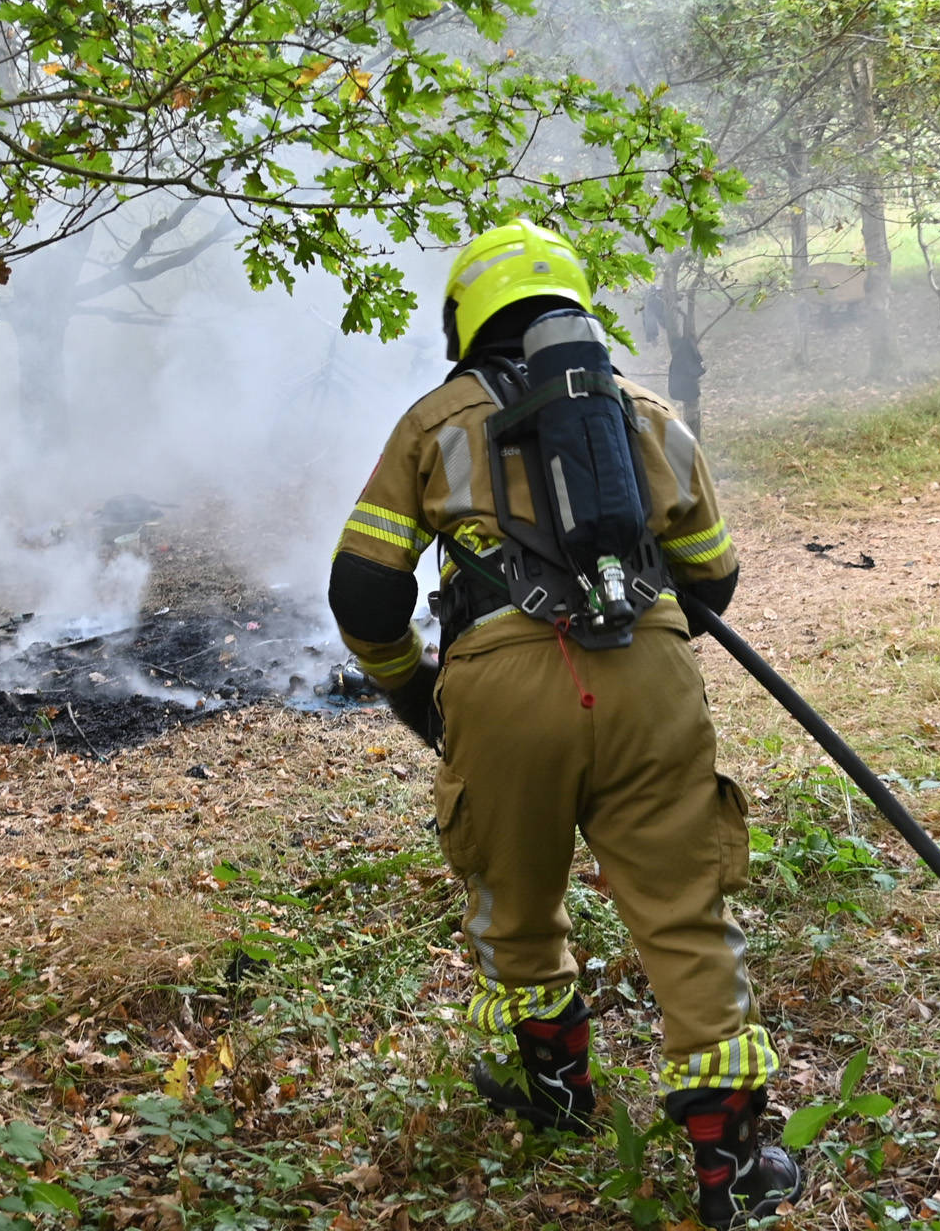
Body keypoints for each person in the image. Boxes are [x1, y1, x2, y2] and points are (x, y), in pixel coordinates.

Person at [326, 219, 802, 1229]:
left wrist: (422, 698)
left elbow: (363, 592)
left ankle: (557, 1090)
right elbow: (713, 574)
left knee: (517, 900)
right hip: (651, 678)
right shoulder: (646, 416)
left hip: (501, 692)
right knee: (683, 909)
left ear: (469, 319)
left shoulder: (435, 422)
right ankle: (733, 1167)